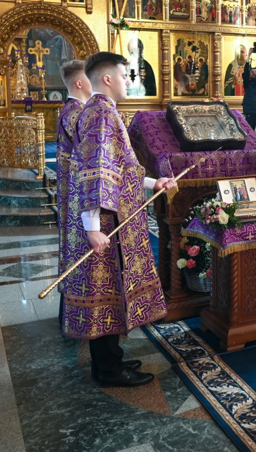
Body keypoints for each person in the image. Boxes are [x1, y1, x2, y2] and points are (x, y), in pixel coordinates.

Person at [66, 52, 175, 387]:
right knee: (104, 292)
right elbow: (95, 172)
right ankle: (109, 370)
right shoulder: (100, 113)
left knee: (111, 292)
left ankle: (110, 359)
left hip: (113, 219)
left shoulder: (104, 111)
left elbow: (121, 168)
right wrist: (93, 228)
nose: (129, 81)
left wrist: (152, 182)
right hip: (108, 224)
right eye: (125, 75)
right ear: (108, 78)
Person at [56, 60, 92, 326]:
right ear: (79, 83)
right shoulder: (77, 114)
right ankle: (76, 315)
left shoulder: (70, 111)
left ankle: (68, 311)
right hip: (81, 195)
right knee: (80, 252)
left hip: (74, 192)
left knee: (74, 251)